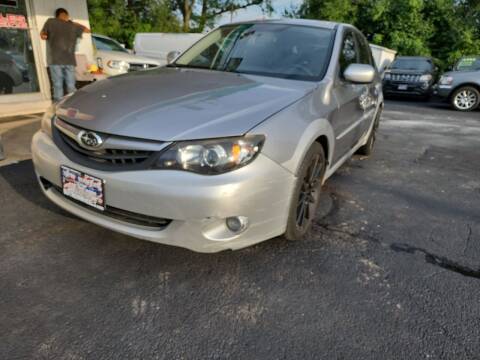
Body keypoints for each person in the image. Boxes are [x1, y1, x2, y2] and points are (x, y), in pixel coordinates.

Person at [40, 8, 90, 101]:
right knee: (71, 85)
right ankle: (72, 103)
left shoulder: (51, 22)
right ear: (67, 15)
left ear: (57, 15)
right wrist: (75, 23)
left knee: (58, 85)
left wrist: (46, 35)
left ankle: (58, 105)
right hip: (68, 60)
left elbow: (43, 35)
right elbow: (87, 30)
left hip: (56, 59)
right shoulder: (72, 25)